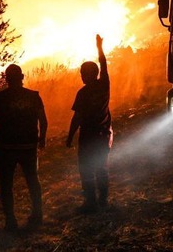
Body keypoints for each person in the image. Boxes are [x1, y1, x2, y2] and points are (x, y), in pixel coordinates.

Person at [0, 64, 48, 232]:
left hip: (5, 148)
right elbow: (43, 121)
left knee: (6, 184)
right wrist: (42, 139)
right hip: (28, 147)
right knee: (33, 181)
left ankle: (11, 220)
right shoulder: (33, 96)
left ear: (6, 79)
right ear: (22, 77)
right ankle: (37, 215)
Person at [66, 34, 113, 213]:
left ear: (87, 74)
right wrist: (99, 47)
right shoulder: (104, 85)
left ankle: (90, 202)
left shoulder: (83, 93)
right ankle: (103, 200)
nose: (81, 76)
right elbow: (104, 64)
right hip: (104, 134)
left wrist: (70, 137)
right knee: (101, 167)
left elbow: (77, 117)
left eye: (82, 73)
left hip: (88, 136)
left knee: (86, 169)